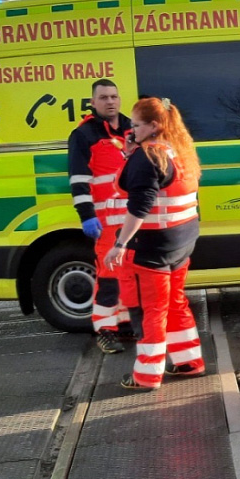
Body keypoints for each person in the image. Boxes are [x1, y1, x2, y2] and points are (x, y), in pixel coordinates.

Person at [103, 97, 205, 390]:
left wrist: (120, 244)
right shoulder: (179, 151)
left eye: (136, 124)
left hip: (151, 249)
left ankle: (146, 376)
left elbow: (140, 205)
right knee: (175, 304)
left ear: (154, 125)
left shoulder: (147, 157)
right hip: (181, 243)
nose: (131, 130)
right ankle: (188, 362)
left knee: (150, 312)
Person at [68, 78, 133, 353]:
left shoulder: (133, 129)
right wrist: (86, 215)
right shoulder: (84, 135)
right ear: (93, 102)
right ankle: (105, 330)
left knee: (132, 273)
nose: (110, 101)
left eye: (114, 96)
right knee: (108, 276)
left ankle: (127, 324)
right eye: (104, 97)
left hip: (134, 220)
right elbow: (79, 180)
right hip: (106, 223)